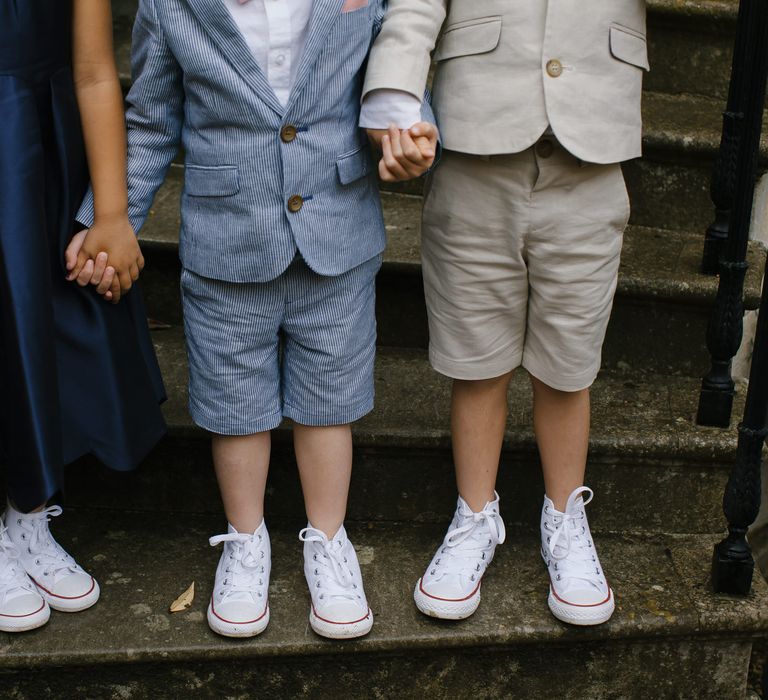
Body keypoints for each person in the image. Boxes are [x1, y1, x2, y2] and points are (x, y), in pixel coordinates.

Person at [74, 0, 438, 639]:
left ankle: (328, 539)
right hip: (226, 237)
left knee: (331, 397)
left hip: (336, 229)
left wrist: (407, 129)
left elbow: (392, 72)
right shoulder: (171, 6)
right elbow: (153, 122)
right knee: (232, 398)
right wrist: (108, 219)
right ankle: (246, 542)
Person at [361, 0, 648, 626]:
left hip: (592, 155)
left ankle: (565, 517)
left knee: (568, 364)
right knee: (477, 358)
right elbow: (413, 9)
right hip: (474, 147)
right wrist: (395, 103)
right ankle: (474, 516)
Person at [0, 0, 166, 633]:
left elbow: (95, 69)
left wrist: (113, 213)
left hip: (39, 143)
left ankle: (28, 508)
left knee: (36, 320)